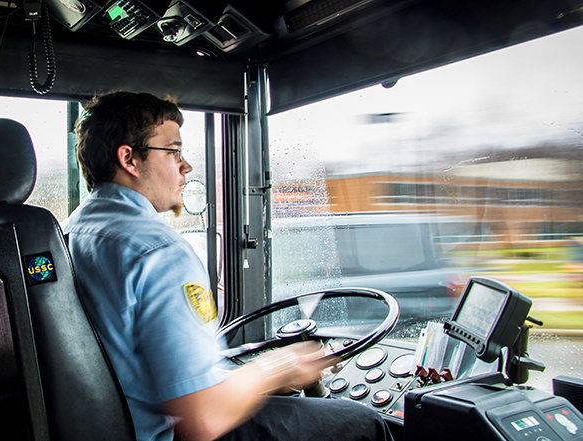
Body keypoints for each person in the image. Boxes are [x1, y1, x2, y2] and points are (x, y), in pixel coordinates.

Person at [62, 91, 395, 441]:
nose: (186, 166)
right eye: (174, 151)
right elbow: (203, 417)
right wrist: (283, 367)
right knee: (363, 424)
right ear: (129, 158)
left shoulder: (70, 232)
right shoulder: (158, 252)